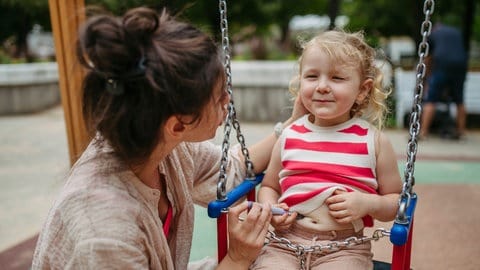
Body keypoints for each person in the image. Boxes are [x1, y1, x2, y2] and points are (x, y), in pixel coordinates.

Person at [31, 7, 306, 270]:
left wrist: (295, 123)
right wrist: (237, 258)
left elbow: (231, 167)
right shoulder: (106, 234)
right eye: (219, 96)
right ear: (176, 125)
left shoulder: (164, 149)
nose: (228, 101)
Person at [250, 30, 402, 269]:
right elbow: (269, 186)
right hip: (285, 243)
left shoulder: (373, 141)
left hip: (343, 249)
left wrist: (367, 203)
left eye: (337, 78)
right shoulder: (290, 135)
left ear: (363, 90)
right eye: (312, 76)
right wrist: (272, 209)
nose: (322, 86)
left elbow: (396, 201)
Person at [420, 23, 468, 140]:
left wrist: (426, 77)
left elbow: (428, 58)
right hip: (461, 64)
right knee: (459, 99)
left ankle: (423, 132)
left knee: (431, 99)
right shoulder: (456, 31)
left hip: (442, 64)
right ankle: (461, 131)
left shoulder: (433, 34)